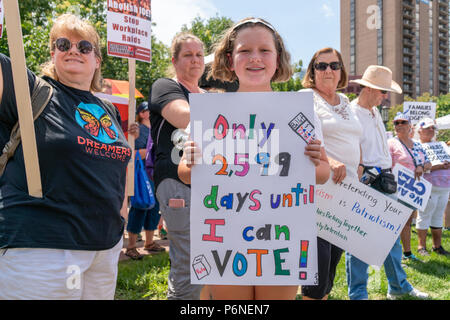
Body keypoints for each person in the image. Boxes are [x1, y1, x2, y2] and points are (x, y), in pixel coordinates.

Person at [179, 17, 330, 300]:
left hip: (281, 239)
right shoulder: (211, 114)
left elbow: (322, 174)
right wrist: (191, 160)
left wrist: (313, 160)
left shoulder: (299, 113)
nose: (255, 58)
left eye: (264, 50)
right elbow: (185, 174)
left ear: (278, 58)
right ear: (230, 58)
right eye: (244, 50)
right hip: (225, 238)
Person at [0, 14, 139, 299]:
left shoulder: (109, 111)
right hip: (42, 249)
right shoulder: (30, 92)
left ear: (97, 60)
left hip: (104, 248)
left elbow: (116, 171)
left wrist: (121, 222)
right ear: (53, 53)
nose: (73, 50)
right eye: (63, 44)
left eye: (84, 46)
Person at [347, 65, 428, 300]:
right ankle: (358, 293)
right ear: (370, 89)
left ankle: (398, 286)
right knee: (359, 240)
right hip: (365, 181)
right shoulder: (352, 113)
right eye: (383, 92)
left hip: (384, 179)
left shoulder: (373, 113)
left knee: (391, 237)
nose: (386, 97)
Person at [299, 47, 362, 300]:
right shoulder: (305, 97)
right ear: (312, 72)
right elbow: (302, 140)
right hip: (318, 192)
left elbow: (355, 138)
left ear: (341, 72)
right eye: (321, 65)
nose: (328, 71)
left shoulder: (346, 102)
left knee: (330, 268)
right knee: (316, 265)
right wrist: (332, 160)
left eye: (334, 66)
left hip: (346, 193)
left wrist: (360, 164)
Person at [149, 32, 206, 300]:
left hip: (209, 185)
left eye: (199, 55)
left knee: (208, 259)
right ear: (174, 60)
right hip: (176, 182)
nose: (195, 60)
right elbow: (185, 116)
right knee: (189, 263)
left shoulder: (207, 96)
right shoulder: (165, 86)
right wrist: (231, 115)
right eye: (187, 55)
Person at [388, 112, 432, 260]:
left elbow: (428, 163)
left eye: (403, 122)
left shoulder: (418, 145)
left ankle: (406, 253)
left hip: (411, 191)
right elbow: (386, 165)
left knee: (406, 221)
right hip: (395, 190)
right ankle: (392, 256)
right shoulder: (391, 143)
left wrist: (421, 167)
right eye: (396, 123)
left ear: (410, 126)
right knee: (394, 223)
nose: (399, 125)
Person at [125, 101, 164, 260]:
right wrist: (153, 151)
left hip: (155, 174)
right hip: (142, 175)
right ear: (141, 114)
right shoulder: (139, 130)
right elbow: (134, 152)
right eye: (148, 110)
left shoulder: (154, 127)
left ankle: (149, 242)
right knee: (139, 207)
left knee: (154, 209)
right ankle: (131, 246)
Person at [415, 117, 450, 256]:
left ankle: (437, 246)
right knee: (424, 215)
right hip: (428, 186)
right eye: (428, 128)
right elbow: (418, 167)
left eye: (433, 128)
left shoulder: (441, 145)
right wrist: (440, 166)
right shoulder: (417, 146)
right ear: (420, 130)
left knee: (437, 216)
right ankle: (421, 246)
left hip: (444, 186)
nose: (431, 130)